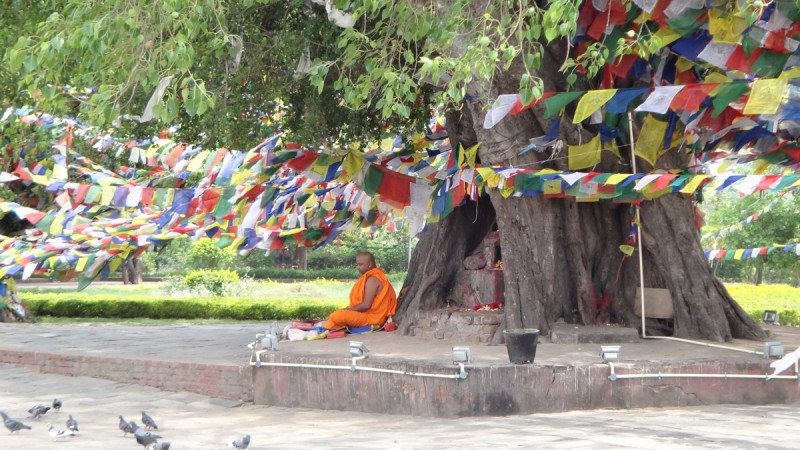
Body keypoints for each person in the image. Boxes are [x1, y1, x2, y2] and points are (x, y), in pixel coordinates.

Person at [322, 251, 397, 331]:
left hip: (373, 318)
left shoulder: (373, 280)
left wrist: (345, 310)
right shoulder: (370, 277)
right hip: (366, 315)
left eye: (360, 264)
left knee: (337, 315)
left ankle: (331, 326)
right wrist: (346, 309)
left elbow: (366, 305)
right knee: (336, 315)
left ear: (369, 264)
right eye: (357, 264)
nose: (358, 267)